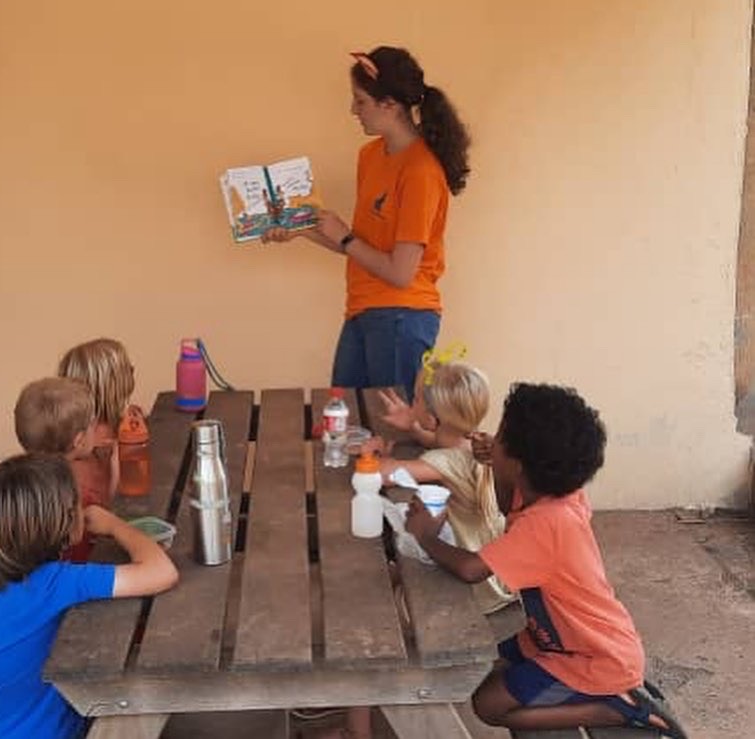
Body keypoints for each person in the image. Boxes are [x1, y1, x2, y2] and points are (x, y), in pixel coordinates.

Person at [405, 383, 687, 737]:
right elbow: (507, 504)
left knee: (488, 705)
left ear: (520, 465)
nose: (492, 441)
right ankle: (600, 700)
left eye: (501, 437)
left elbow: (471, 569)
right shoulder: (558, 494)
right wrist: (496, 459)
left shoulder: (546, 524)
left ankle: (616, 710)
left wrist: (426, 535)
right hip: (561, 640)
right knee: (481, 667)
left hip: (594, 658)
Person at [263, 46, 470, 400]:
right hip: (363, 309)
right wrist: (299, 230)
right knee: (343, 420)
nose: (353, 110)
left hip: (403, 317)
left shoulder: (421, 171)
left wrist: (344, 237)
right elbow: (362, 246)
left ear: (390, 105)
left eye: (361, 101)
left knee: (390, 427)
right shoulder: (370, 156)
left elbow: (400, 273)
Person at [0, 453, 179, 739]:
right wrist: (114, 525)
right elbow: (162, 572)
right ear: (65, 523)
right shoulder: (57, 581)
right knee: (156, 688)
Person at [375, 360, 514, 615]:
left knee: (402, 541)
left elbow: (381, 474)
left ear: (432, 418)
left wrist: (371, 453)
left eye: (415, 399)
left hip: (474, 581)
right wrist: (414, 427)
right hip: (497, 569)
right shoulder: (478, 445)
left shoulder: (444, 462)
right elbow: (440, 441)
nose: (411, 404)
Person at [14, 376, 105, 561]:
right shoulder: (75, 489)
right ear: (79, 441)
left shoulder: (17, 484)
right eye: (92, 424)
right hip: (78, 571)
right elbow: (101, 523)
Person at [58, 338, 139, 529]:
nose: (133, 370)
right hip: (98, 530)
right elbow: (119, 502)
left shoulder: (74, 432)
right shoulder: (99, 439)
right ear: (110, 386)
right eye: (127, 369)